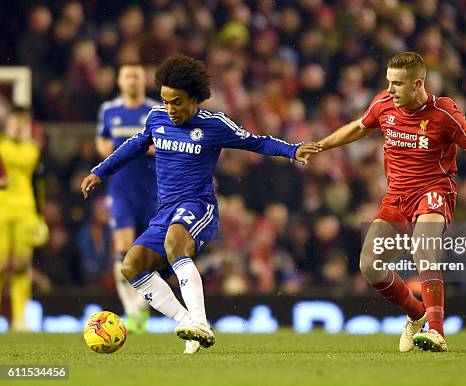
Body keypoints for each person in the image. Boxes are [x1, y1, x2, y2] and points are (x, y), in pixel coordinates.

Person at [81, 55, 320, 353]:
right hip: (165, 211)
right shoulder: (156, 118)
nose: (170, 109)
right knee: (131, 266)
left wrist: (292, 150)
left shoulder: (214, 124)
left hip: (199, 206)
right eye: (166, 101)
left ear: (195, 99)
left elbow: (255, 141)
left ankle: (201, 322)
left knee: (174, 244)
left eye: (177, 102)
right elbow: (135, 145)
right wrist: (99, 172)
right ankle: (188, 324)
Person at [316, 52, 466, 352]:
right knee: (369, 265)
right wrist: (322, 145)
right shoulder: (383, 105)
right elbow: (359, 127)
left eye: (397, 84)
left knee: (423, 245)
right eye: (388, 82)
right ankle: (416, 314)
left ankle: (437, 331)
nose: (390, 89)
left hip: (434, 191)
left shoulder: (445, 113)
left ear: (418, 84)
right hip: (397, 198)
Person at [96, 63, 159, 334]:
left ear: (143, 79)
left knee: (147, 253)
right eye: (127, 76)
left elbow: (164, 146)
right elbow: (103, 143)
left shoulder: (156, 111)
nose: (132, 80)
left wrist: (136, 148)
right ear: (120, 81)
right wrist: (132, 148)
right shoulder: (109, 110)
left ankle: (143, 306)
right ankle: (132, 311)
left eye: (136, 75)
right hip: (121, 190)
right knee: (123, 249)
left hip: (153, 190)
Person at [0, 107, 48, 330]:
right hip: (1, 212)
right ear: (7, 123)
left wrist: (40, 216)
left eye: (23, 122)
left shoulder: (34, 150)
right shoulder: (1, 148)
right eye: (15, 121)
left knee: (21, 266)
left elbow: (38, 185)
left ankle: (20, 320)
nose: (19, 126)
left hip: (26, 212)